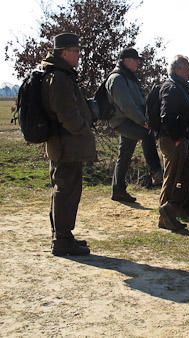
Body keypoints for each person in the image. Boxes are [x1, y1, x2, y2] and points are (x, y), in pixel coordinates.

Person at [41, 33, 96, 256]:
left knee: (62, 189)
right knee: (66, 191)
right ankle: (62, 240)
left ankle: (62, 235)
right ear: (64, 53)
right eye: (76, 51)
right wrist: (85, 128)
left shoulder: (57, 75)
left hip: (63, 143)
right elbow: (68, 116)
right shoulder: (60, 78)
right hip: (68, 144)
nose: (80, 55)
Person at [107, 47, 163, 203]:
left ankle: (118, 190)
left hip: (129, 120)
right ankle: (156, 171)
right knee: (146, 134)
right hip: (123, 122)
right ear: (126, 60)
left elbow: (138, 101)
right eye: (136, 59)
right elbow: (127, 105)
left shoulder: (128, 77)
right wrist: (143, 122)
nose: (138, 62)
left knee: (124, 156)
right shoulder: (117, 78)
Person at [158, 55, 189, 231]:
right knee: (171, 179)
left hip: (177, 140)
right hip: (173, 141)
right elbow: (167, 116)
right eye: (188, 68)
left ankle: (168, 213)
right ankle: (165, 217)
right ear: (178, 70)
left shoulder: (179, 87)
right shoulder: (172, 88)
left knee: (185, 180)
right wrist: (177, 138)